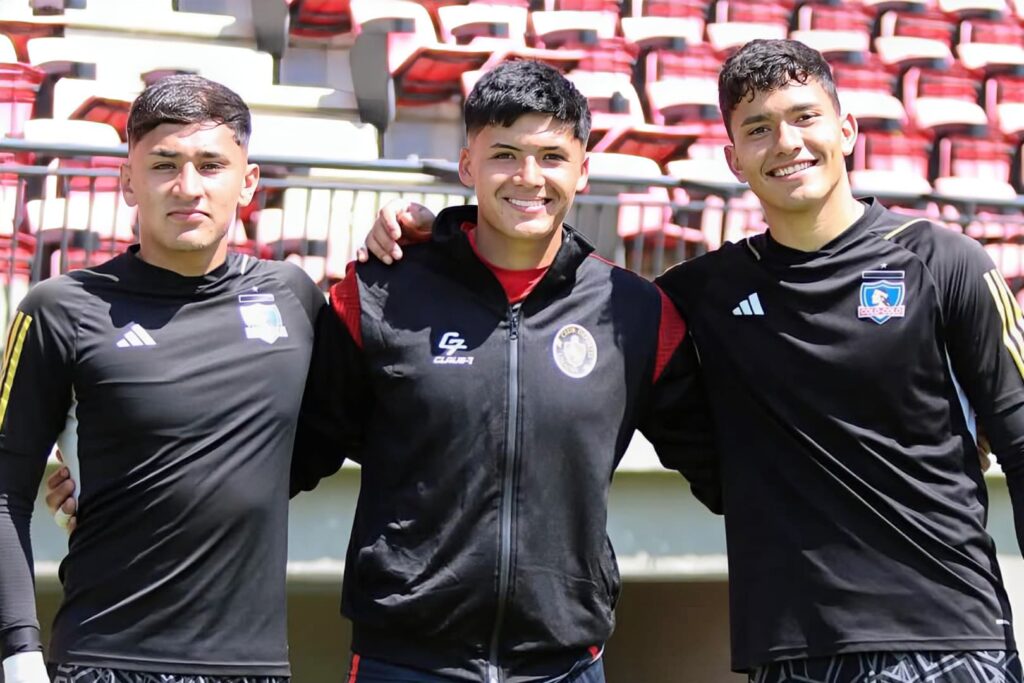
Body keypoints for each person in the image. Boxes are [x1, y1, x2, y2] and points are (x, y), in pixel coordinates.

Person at [359, 40, 1024, 683]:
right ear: (734, 158)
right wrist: (441, 233)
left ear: (847, 128)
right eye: (759, 128)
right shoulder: (699, 294)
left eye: (804, 117)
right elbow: (557, 281)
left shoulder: (945, 263)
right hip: (792, 647)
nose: (786, 143)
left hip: (952, 634)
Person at [287, 59, 720, 683]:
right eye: (505, 155)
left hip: (564, 665)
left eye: (550, 156)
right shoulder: (378, 294)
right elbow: (290, 455)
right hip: (405, 660)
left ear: (583, 171)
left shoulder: (637, 313)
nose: (528, 177)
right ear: (468, 167)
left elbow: (726, 466)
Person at [0, 75, 326, 683]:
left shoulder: (293, 298)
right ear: (128, 179)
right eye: (164, 164)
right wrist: (17, 652)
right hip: (103, 662)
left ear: (248, 182)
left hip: (253, 669)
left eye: (211, 164)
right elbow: (3, 492)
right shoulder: (59, 309)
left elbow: (334, 435)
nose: (188, 187)